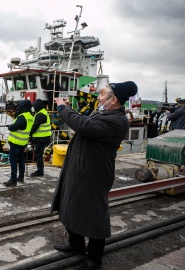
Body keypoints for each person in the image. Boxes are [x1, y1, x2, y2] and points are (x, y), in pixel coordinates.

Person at [51, 81, 138, 270]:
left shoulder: (117, 120)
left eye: (103, 94)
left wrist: (63, 108)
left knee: (94, 214)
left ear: (113, 100)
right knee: (70, 206)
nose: (98, 97)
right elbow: (85, 122)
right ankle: (77, 247)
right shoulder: (105, 113)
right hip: (80, 169)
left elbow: (84, 125)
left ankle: (95, 259)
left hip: (94, 173)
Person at [3, 100, 34, 187]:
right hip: (23, 142)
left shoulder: (22, 116)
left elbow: (13, 128)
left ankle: (13, 180)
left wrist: (10, 126)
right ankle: (21, 177)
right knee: (21, 160)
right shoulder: (30, 116)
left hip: (15, 143)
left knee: (13, 161)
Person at [29, 99, 51, 177]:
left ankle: (40, 171)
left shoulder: (40, 115)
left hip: (41, 138)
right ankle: (40, 170)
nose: (33, 108)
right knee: (39, 154)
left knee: (38, 155)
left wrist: (29, 133)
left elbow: (35, 126)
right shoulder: (42, 112)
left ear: (37, 106)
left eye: (34, 106)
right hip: (42, 137)